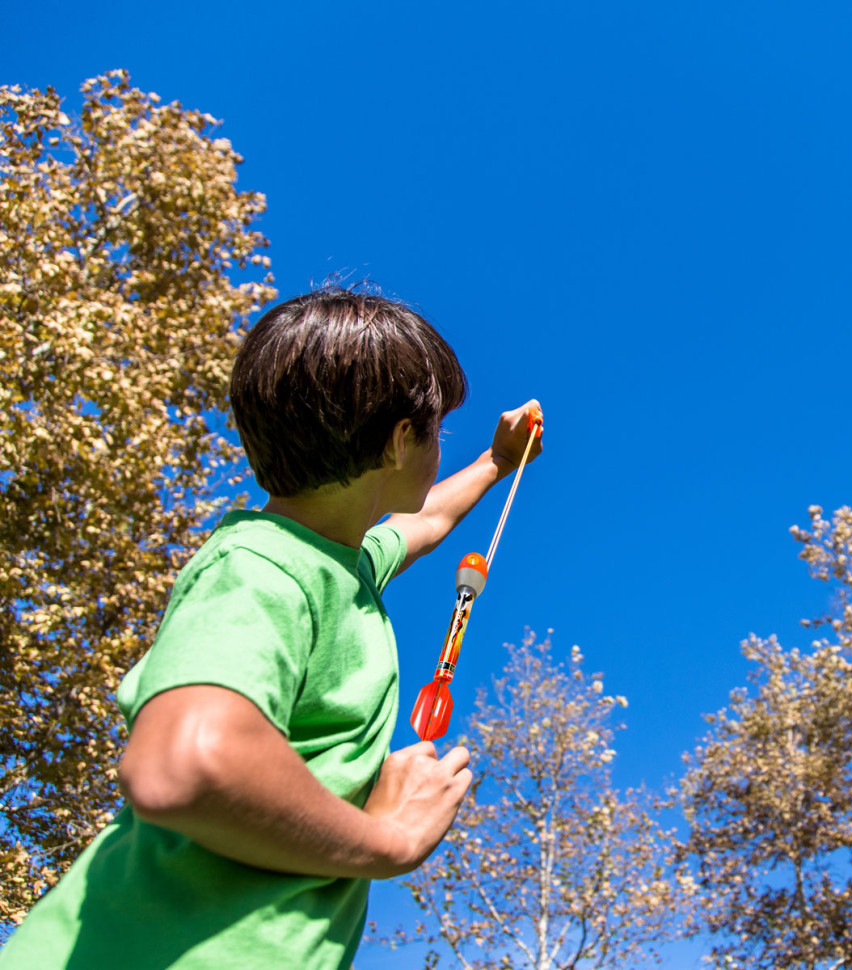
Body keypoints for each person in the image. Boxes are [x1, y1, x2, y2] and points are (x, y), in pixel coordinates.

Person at [0, 287, 542, 970]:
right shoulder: (262, 568)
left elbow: (426, 521)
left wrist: (497, 462)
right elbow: (183, 764)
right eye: (437, 432)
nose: (441, 447)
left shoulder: (338, 564)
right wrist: (392, 840)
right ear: (400, 440)